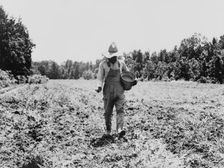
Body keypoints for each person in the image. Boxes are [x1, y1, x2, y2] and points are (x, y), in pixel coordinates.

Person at [95, 42, 137, 138]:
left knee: (120, 110)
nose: (112, 58)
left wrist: (133, 81)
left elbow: (127, 74)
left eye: (114, 56)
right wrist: (99, 86)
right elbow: (100, 77)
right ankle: (108, 130)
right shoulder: (103, 64)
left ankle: (120, 129)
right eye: (111, 56)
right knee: (107, 112)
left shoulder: (121, 63)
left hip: (119, 90)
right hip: (108, 91)